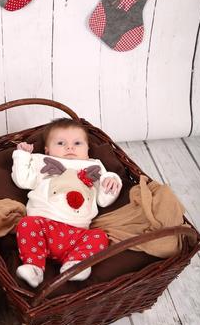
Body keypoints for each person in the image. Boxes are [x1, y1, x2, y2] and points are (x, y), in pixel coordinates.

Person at [11, 118, 122, 287]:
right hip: (44, 226)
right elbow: (22, 180)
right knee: (26, 224)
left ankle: (75, 264)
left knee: (99, 236)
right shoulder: (41, 161)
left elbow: (103, 200)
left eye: (77, 143)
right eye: (61, 143)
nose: (70, 148)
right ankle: (34, 267)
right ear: (47, 150)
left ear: (88, 149)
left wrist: (111, 181)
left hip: (77, 234)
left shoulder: (94, 167)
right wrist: (22, 156)